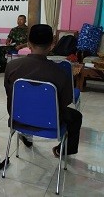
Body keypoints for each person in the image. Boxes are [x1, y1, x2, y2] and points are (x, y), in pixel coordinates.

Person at [4, 24, 82, 156]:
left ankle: (26, 134)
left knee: (28, 105)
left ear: (28, 44)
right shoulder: (60, 73)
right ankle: (62, 151)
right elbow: (66, 101)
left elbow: (9, 92)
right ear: (52, 44)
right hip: (51, 122)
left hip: (18, 118)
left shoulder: (12, 66)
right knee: (76, 116)